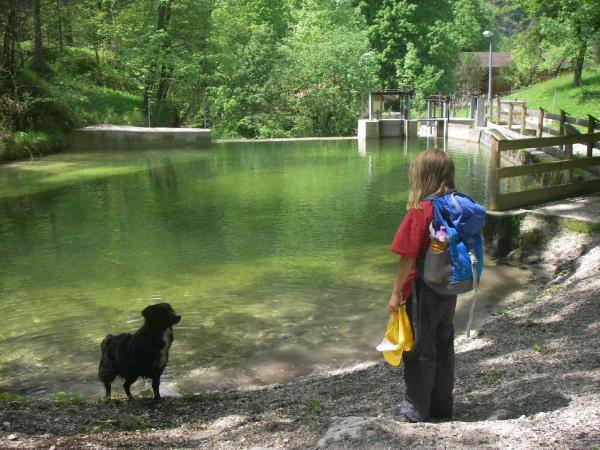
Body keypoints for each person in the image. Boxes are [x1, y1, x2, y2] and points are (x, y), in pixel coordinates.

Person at [388, 148, 457, 423]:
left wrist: (395, 294)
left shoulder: (421, 211)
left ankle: (416, 410)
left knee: (419, 349)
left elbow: (406, 257)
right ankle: (442, 407)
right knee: (444, 344)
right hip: (449, 286)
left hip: (422, 289)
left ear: (422, 176)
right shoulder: (455, 206)